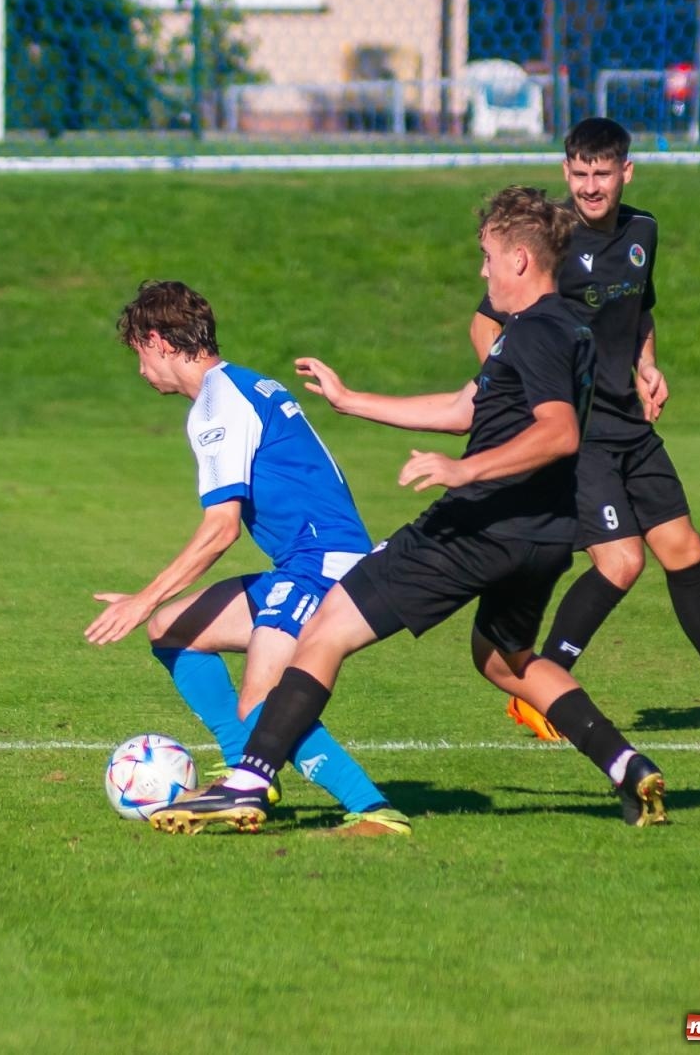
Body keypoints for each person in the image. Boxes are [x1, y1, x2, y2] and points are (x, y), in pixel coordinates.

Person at [149, 187, 669, 834]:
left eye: (486, 257)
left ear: (519, 261)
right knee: (502, 660)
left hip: (480, 525)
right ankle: (627, 765)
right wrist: (352, 401)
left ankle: (248, 780)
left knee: (326, 629)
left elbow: (559, 432)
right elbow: (464, 409)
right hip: (545, 535)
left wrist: (464, 469)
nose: (482, 272)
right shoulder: (563, 330)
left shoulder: (535, 331)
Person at [471, 118, 700, 742]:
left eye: (603, 173)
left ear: (626, 171)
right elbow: (487, 325)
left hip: (631, 423)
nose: (590, 186)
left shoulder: (643, 230)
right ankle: (538, 689)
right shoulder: (551, 240)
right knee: (622, 563)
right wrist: (515, 399)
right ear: (565, 171)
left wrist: (647, 364)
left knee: (685, 548)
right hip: (583, 436)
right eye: (579, 173)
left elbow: (639, 308)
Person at [85, 280, 411, 836]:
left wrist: (143, 597)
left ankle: (374, 810)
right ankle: (248, 772)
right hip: (304, 563)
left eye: (140, 355)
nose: (142, 373)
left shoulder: (218, 404)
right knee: (171, 629)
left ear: (160, 342)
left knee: (261, 699)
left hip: (323, 565)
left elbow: (220, 531)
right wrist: (153, 607)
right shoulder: (238, 385)